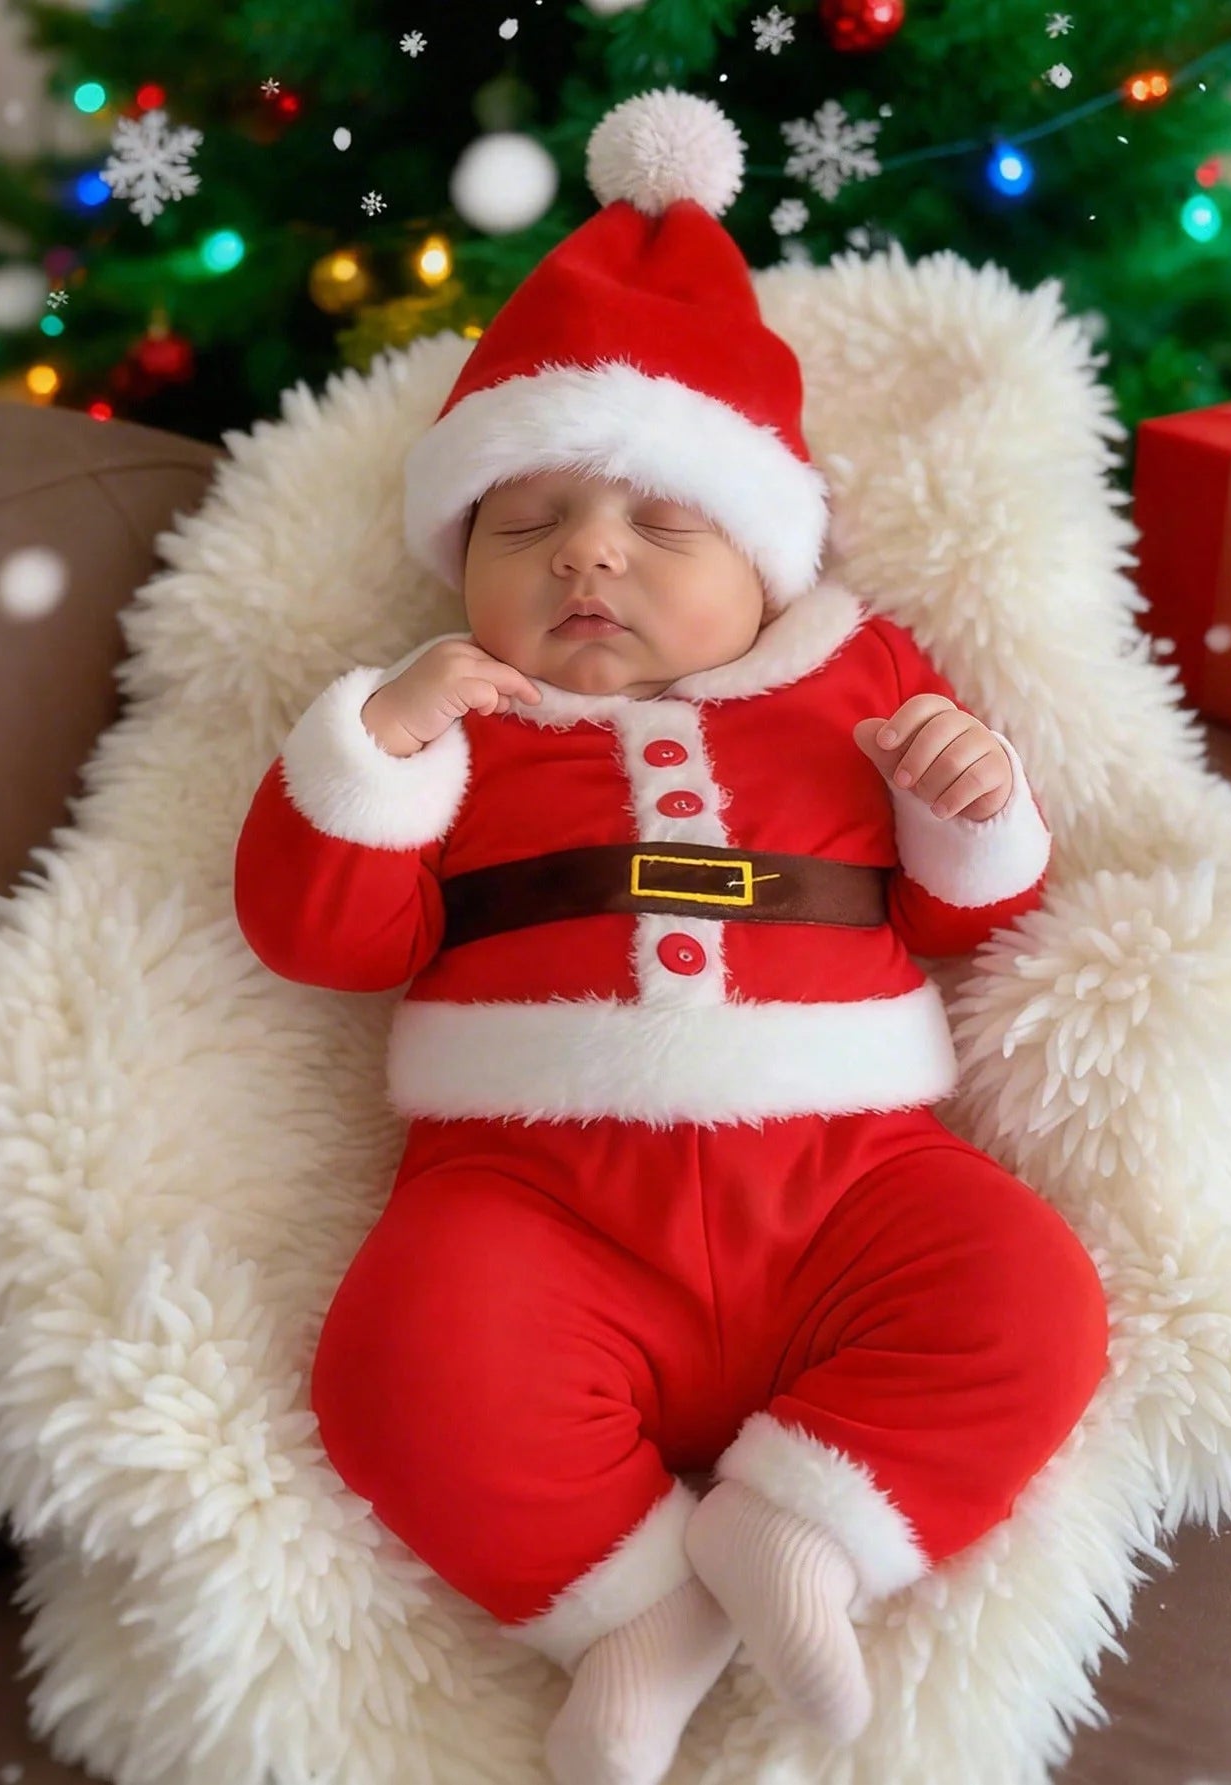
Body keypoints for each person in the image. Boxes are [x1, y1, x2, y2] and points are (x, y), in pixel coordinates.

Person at [233, 88, 1110, 1785]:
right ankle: (635, 1617)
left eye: (660, 522)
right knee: (406, 1365)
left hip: (852, 1179)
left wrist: (968, 792)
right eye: (525, 523)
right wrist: (377, 751)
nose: (588, 557)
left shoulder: (853, 678)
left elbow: (974, 906)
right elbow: (319, 937)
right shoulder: (455, 726)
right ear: (460, 562)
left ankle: (793, 1532)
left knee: (1036, 1301)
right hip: (531, 1190)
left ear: (768, 560)